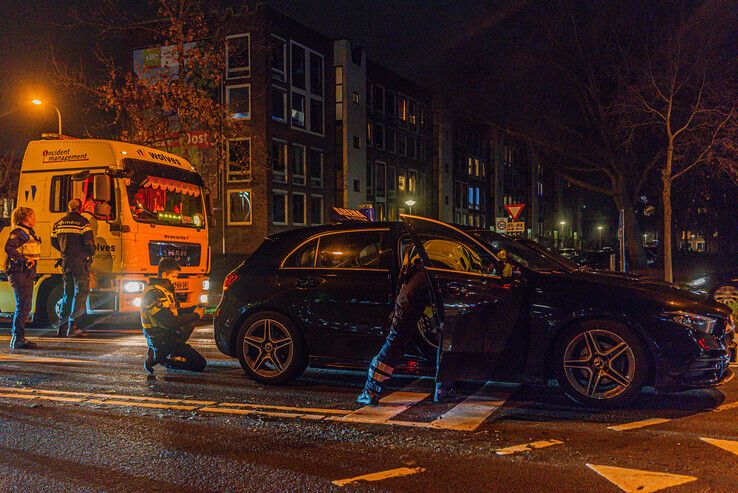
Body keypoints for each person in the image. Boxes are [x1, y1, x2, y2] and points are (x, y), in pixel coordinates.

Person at [357, 249, 431, 406]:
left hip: (416, 283)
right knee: (447, 336)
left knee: (397, 338)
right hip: (433, 281)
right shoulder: (458, 247)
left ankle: (371, 391)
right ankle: (443, 389)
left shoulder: (425, 245)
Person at [140, 257, 206, 375]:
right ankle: (162, 359)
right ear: (165, 274)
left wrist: (192, 309)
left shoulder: (164, 290)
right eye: (174, 276)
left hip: (166, 334)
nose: (175, 280)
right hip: (160, 337)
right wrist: (195, 315)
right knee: (200, 364)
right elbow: (168, 321)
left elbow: (175, 312)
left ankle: (161, 353)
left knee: (190, 320)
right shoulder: (153, 294)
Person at [51, 199, 95, 337]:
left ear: (69, 208)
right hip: (80, 263)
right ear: (80, 209)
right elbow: (89, 243)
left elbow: (54, 241)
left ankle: (61, 328)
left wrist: (65, 251)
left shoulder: (58, 223)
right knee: (80, 294)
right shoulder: (83, 223)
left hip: (66, 262)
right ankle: (74, 327)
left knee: (67, 294)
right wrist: (90, 253)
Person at [3, 207, 41, 350]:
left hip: (25, 272)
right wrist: (24, 259)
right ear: (26, 218)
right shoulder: (19, 232)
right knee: (23, 305)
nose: (35, 218)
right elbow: (9, 248)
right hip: (19, 272)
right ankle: (18, 339)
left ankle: (19, 337)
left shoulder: (26, 232)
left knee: (25, 305)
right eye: (33, 216)